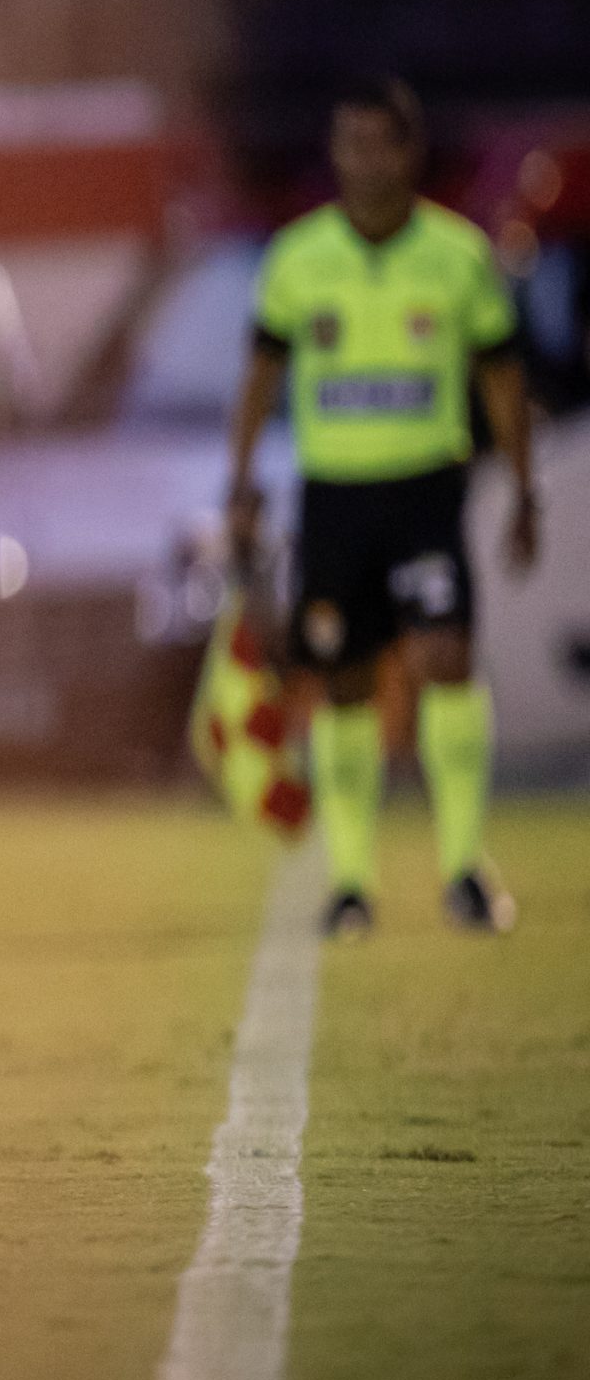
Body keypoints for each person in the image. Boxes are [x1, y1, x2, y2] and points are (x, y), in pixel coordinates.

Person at [227, 76, 539, 938]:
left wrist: (522, 488)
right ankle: (352, 883)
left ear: (410, 150)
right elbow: (259, 377)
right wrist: (241, 482)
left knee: (445, 656)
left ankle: (464, 867)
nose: (364, 160)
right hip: (333, 498)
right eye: (349, 143)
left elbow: (502, 375)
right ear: (333, 153)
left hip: (424, 492)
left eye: (380, 143)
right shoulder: (298, 258)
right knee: (344, 682)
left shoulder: (459, 254)